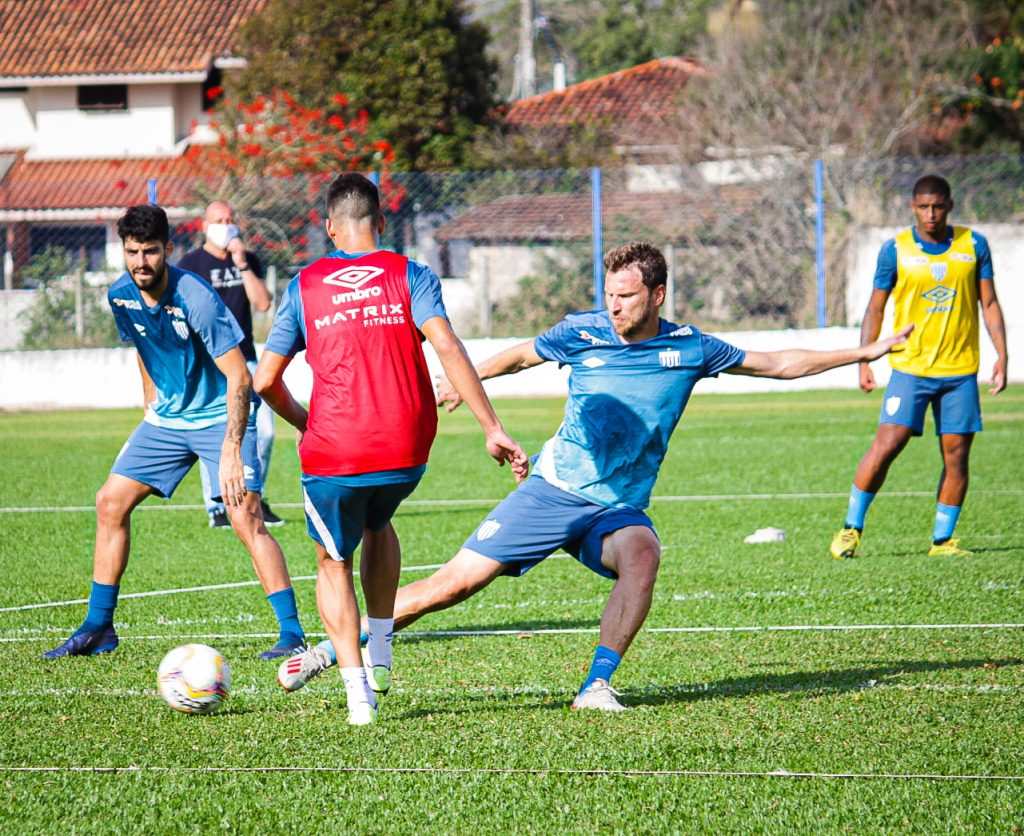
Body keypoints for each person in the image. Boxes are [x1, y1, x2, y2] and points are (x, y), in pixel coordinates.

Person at [276, 239, 912, 711]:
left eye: (626, 296)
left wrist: (865, 351)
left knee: (643, 555)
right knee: (452, 586)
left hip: (615, 508)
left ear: (657, 295)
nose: (613, 306)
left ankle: (597, 684)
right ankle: (334, 648)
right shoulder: (582, 332)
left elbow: (777, 363)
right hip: (553, 492)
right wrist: (460, 383)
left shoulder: (690, 347)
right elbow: (521, 354)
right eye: (608, 294)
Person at [254, 173, 527, 726]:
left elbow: (264, 381)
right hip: (407, 448)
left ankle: (358, 692)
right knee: (378, 520)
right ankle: (380, 645)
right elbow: (447, 344)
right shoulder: (412, 274)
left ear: (329, 229)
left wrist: (306, 423)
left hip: (336, 451)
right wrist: (491, 426)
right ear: (381, 222)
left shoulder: (304, 286)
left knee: (333, 560)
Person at [43, 205, 307, 661]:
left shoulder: (196, 297)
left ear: (167, 249)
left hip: (220, 415)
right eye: (132, 252)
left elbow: (240, 376)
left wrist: (231, 448)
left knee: (244, 515)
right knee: (109, 502)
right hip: (167, 421)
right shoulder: (120, 294)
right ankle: (98, 627)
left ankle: (292, 633)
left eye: (149, 251)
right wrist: (150, 406)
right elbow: (144, 347)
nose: (140, 262)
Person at [830, 174, 1008, 560]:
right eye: (924, 207)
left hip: (959, 370)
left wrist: (1002, 354)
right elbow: (875, 307)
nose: (931, 214)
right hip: (910, 368)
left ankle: (942, 541)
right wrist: (864, 359)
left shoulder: (974, 245)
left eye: (938, 206)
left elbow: (989, 303)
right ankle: (850, 529)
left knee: (956, 456)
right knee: (887, 444)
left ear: (950, 206)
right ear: (913, 207)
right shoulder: (895, 250)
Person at [177, 200, 284, 529]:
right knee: (215, 433)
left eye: (230, 220)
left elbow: (263, 303)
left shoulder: (247, 259)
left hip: (246, 358)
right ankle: (217, 506)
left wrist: (242, 264)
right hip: (210, 363)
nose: (226, 226)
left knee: (264, 432)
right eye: (219, 221)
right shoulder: (191, 264)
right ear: (204, 226)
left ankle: (255, 497)